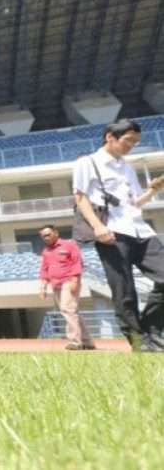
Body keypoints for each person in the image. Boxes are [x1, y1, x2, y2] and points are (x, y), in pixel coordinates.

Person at [73, 119, 164, 352]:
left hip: (140, 230)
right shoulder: (88, 162)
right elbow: (81, 198)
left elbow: (135, 202)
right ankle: (138, 341)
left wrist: (154, 189)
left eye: (136, 142)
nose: (131, 145)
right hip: (111, 232)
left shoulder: (127, 167)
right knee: (124, 291)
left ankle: (151, 329)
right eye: (128, 140)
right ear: (110, 137)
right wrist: (97, 227)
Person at [38, 225, 95, 350]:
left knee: (67, 309)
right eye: (43, 236)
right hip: (55, 284)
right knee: (72, 311)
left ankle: (75, 341)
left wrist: (75, 280)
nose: (46, 238)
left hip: (68, 281)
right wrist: (43, 287)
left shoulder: (69, 245)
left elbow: (77, 263)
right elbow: (44, 269)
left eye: (48, 235)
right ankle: (87, 342)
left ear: (56, 233)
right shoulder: (46, 251)